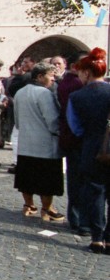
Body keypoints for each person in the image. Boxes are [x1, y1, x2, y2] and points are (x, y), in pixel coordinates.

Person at [67, 48, 110, 254]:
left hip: (91, 147)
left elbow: (76, 127)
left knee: (95, 192)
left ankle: (97, 237)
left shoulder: (76, 96)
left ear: (86, 73)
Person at [13, 62, 65, 221]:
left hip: (25, 143)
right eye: (51, 75)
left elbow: (17, 121)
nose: (53, 79)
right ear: (40, 76)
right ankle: (47, 208)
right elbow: (52, 120)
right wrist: (59, 133)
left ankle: (28, 204)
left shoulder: (20, 93)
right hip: (44, 145)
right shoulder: (45, 94)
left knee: (26, 177)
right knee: (46, 179)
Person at [57, 52, 87, 235]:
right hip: (77, 138)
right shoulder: (75, 85)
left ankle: (76, 217)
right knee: (80, 181)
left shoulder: (65, 83)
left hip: (70, 138)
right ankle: (79, 219)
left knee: (75, 180)